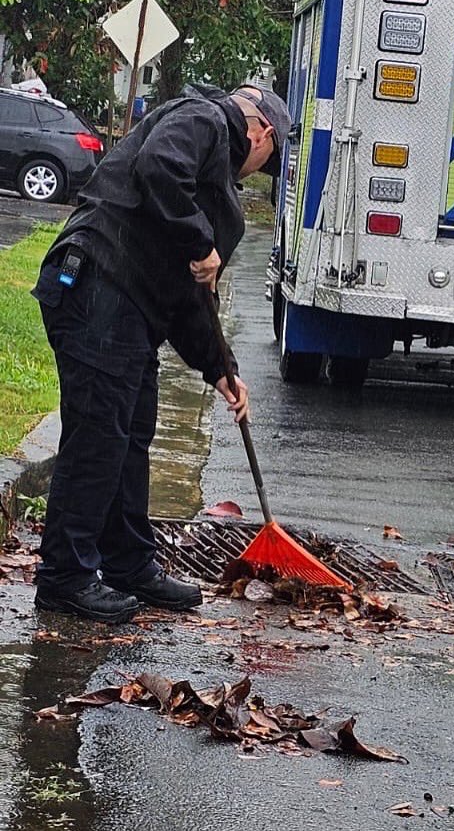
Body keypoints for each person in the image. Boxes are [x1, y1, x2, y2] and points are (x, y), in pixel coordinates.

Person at [31, 82, 291, 624]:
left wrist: (222, 370)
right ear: (262, 132)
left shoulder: (224, 205)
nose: (256, 175)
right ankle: (65, 577)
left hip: (132, 311)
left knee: (132, 433)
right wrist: (200, 242)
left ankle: (128, 564)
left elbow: (190, 302)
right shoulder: (203, 119)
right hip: (93, 284)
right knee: (100, 433)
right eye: (267, 160)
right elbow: (157, 166)